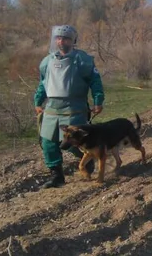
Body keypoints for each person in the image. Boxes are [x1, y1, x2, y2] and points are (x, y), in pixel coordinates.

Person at [34, 25, 104, 189]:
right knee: (48, 142)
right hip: (52, 108)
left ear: (73, 41)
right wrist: (38, 101)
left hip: (75, 107)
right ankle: (57, 176)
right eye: (58, 38)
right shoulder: (47, 61)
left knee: (73, 142)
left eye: (65, 38)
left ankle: (87, 160)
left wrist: (98, 101)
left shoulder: (83, 60)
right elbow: (43, 83)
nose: (61, 41)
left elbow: (95, 82)